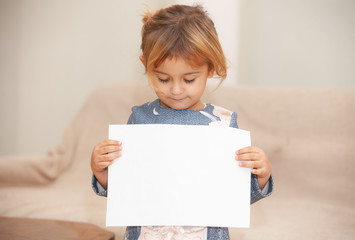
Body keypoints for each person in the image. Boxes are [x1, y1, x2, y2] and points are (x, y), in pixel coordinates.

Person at [91, 4, 273, 240]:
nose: (176, 90)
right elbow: (128, 191)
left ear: (211, 68)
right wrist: (102, 173)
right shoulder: (139, 119)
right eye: (163, 78)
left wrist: (262, 175)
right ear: (146, 66)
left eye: (189, 79)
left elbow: (234, 198)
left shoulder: (223, 124)